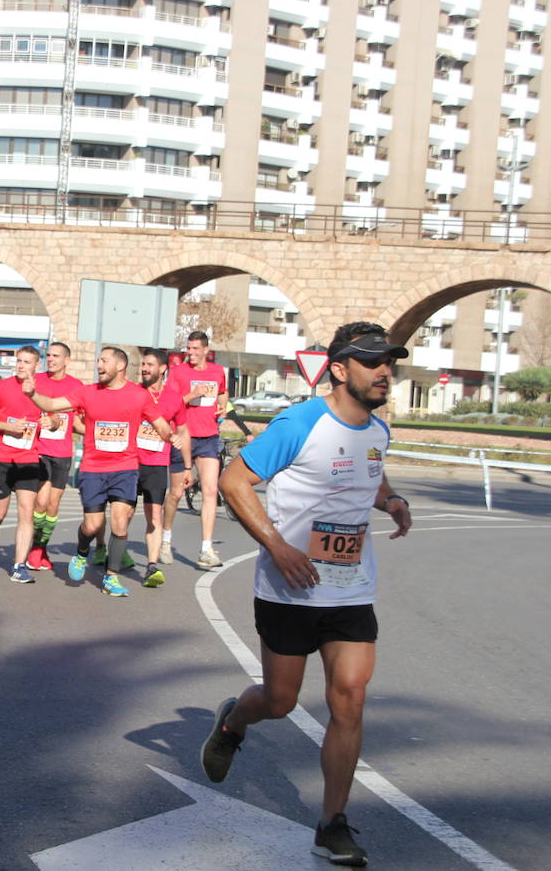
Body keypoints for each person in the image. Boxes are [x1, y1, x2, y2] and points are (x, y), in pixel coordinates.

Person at [203, 322, 413, 867]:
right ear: (340, 370)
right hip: (289, 590)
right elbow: (233, 480)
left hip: (350, 589)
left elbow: (370, 474)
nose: (386, 372)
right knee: (281, 701)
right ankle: (232, 722)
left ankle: (331, 823)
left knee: (350, 698)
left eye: (390, 362)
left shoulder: (378, 429)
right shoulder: (300, 422)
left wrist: (389, 501)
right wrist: (276, 545)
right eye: (374, 363)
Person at [24, 347, 180, 598]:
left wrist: (172, 437)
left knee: (120, 523)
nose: (99, 365)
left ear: (120, 366)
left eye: (104, 361)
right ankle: (82, 551)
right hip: (93, 468)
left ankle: (111, 576)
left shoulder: (138, 395)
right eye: (98, 360)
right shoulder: (87, 392)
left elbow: (160, 424)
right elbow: (52, 404)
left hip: (125, 468)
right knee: (92, 524)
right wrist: (32, 394)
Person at [0, 346, 46, 584]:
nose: (20, 365)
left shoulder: (42, 391)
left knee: (27, 512)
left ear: (37, 366)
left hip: (28, 458)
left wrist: (53, 422)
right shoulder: (1, 388)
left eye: (26, 362)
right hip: (1, 457)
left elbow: (57, 417)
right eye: (19, 361)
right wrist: (8, 427)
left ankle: (18, 566)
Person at [165, 330, 229, 567]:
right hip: (183, 438)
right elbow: (169, 403)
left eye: (194, 349)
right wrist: (191, 394)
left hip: (209, 437)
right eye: (188, 348)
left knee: (211, 491)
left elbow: (222, 393)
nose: (190, 353)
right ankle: (165, 538)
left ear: (205, 350)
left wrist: (222, 408)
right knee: (176, 493)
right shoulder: (178, 372)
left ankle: (206, 549)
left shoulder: (216, 371)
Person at [136, 349, 189, 587]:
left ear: (162, 368)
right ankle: (111, 552)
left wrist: (187, 467)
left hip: (157, 463)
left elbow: (183, 431)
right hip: (130, 461)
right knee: (123, 514)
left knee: (154, 515)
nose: (145, 368)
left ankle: (151, 566)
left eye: (149, 364)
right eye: (143, 364)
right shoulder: (133, 393)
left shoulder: (174, 398)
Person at [28, 342, 82, 571]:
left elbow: (79, 421)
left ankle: (41, 546)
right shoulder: (36, 381)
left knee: (52, 504)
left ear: (66, 360)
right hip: (38, 449)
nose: (51, 359)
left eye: (56, 356)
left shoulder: (76, 386)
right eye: (48, 355)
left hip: (62, 452)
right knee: (40, 501)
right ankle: (34, 548)